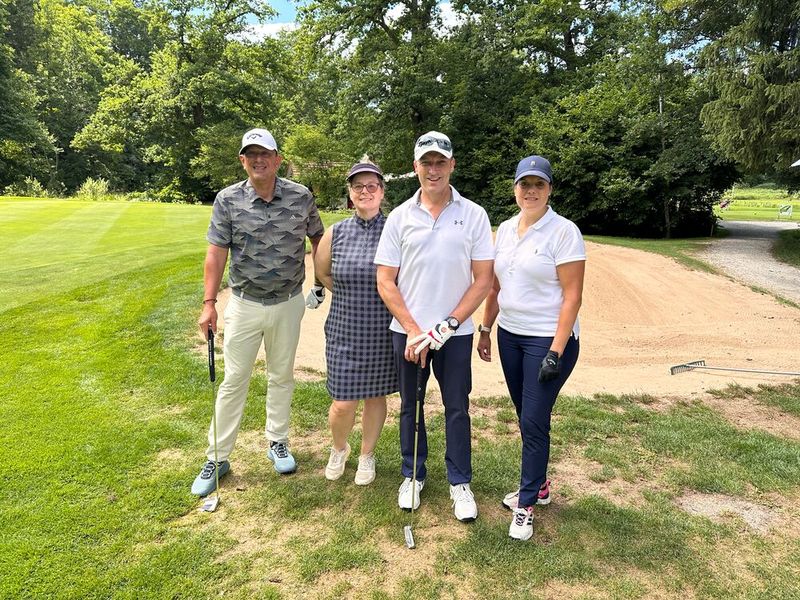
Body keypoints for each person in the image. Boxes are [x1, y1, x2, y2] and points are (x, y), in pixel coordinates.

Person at [191, 127, 325, 496]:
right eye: (251, 154)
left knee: (282, 375)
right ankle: (217, 456)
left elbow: (319, 238)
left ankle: (277, 441)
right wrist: (208, 304)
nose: (259, 159)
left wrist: (321, 281)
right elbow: (216, 253)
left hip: (287, 303)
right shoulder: (228, 199)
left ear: (278, 158)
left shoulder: (300, 197)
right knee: (234, 380)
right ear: (243, 160)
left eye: (265, 153)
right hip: (245, 304)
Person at [374, 131, 494, 522]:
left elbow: (482, 280)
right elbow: (386, 280)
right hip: (406, 332)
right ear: (415, 168)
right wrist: (412, 328)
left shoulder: (473, 214)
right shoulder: (399, 217)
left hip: (454, 336)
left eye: (440, 162)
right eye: (426, 162)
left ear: (452, 165)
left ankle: (460, 482)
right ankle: (412, 474)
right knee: (411, 406)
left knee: (457, 408)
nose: (434, 169)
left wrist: (448, 324)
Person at [476, 154, 585, 540]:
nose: (531, 191)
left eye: (539, 184)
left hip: (547, 340)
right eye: (525, 184)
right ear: (516, 189)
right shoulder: (504, 230)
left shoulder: (564, 232)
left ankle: (525, 506)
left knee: (534, 421)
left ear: (550, 189)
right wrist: (486, 327)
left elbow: (572, 297)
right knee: (527, 416)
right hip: (511, 335)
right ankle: (539, 486)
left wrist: (555, 351)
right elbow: (495, 286)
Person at [314, 159, 399, 485]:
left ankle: (367, 454)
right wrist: (353, 293)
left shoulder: (395, 229)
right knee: (343, 401)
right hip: (344, 327)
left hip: (381, 327)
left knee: (376, 396)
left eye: (372, 186)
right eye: (358, 186)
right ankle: (339, 447)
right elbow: (323, 273)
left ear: (381, 191)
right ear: (350, 193)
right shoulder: (336, 232)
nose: (365, 192)